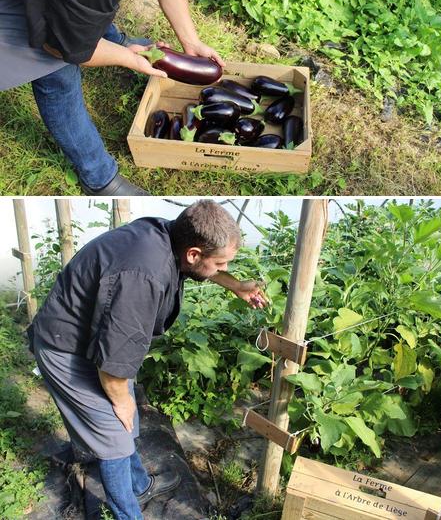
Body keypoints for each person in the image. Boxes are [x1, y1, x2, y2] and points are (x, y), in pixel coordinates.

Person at [0, 0, 259, 195]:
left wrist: (190, 40)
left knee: (82, 6)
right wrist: (129, 58)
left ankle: (102, 35)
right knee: (56, 71)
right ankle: (99, 176)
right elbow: (61, 48)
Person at [27, 200, 268, 520]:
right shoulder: (143, 276)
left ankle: (139, 485)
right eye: (222, 264)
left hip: (88, 338)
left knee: (127, 422)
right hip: (63, 347)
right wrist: (121, 399)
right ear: (194, 253)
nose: (224, 269)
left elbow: (201, 264)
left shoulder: (170, 235)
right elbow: (114, 359)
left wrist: (235, 285)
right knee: (114, 435)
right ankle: (128, 514)